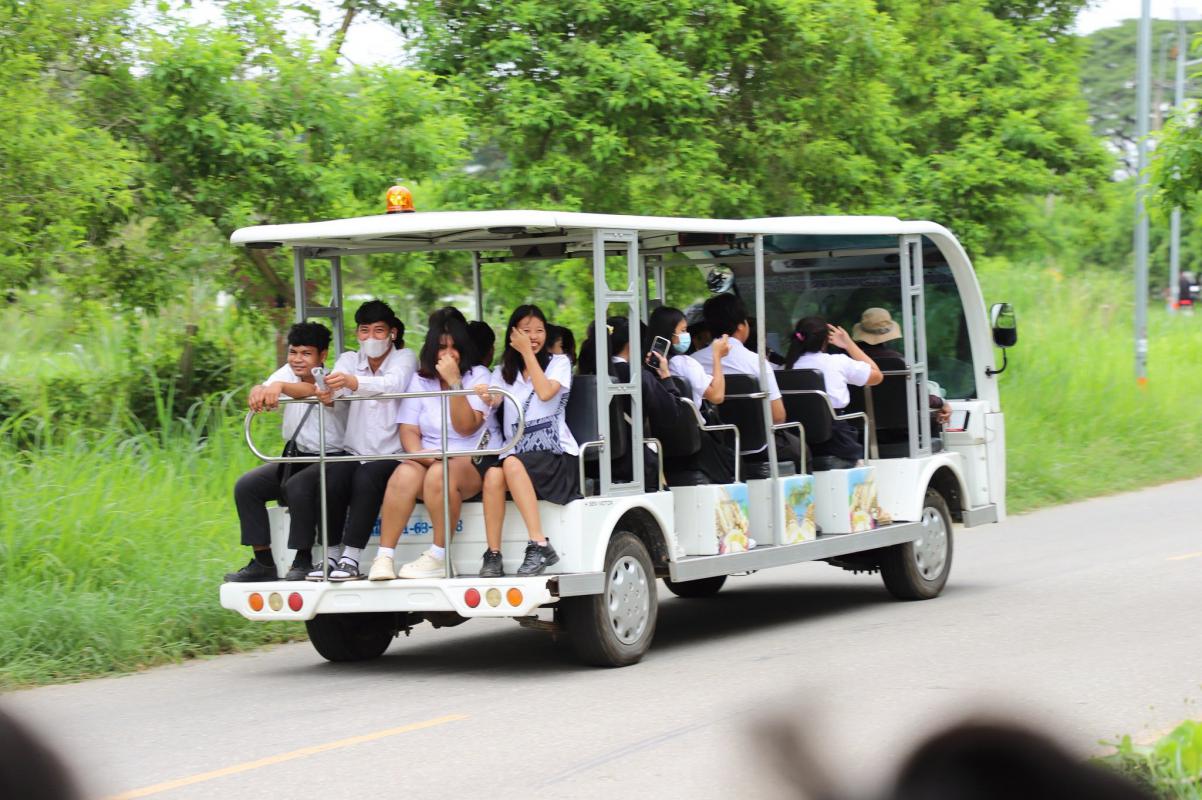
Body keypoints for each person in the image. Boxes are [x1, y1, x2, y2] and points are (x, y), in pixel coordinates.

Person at [367, 314, 491, 580]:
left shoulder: (479, 376)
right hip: (431, 457)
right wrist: (421, 455)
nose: (449, 353)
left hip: (470, 460)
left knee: (439, 473)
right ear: (432, 349)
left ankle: (439, 556)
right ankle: (384, 556)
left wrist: (455, 383)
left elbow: (466, 427)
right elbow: (409, 431)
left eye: (454, 347)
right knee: (403, 474)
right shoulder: (420, 379)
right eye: (442, 347)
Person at [224, 321, 349, 582]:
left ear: (322, 355)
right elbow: (267, 385)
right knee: (247, 487)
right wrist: (257, 391)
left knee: (298, 485)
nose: (297, 359)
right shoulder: (287, 372)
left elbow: (310, 390)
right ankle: (263, 561)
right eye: (293, 352)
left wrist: (279, 388)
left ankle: (302, 558)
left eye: (306, 353)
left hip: (333, 458)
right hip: (297, 455)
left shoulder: (333, 378)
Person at [307, 300, 418, 580]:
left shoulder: (405, 357)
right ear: (357, 333)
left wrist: (352, 383)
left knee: (367, 478)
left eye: (378, 331)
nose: (371, 337)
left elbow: (393, 385)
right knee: (331, 477)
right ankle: (330, 554)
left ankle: (351, 558)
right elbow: (337, 392)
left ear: (392, 333)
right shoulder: (348, 360)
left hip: (392, 455)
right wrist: (328, 393)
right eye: (364, 330)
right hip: (354, 452)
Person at [475, 304, 578, 577]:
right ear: (513, 334)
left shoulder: (559, 363)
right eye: (526, 331)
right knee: (493, 476)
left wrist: (527, 353)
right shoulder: (503, 371)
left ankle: (539, 543)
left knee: (510, 463)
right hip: (517, 452)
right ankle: (493, 554)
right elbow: (495, 401)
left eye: (539, 331)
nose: (533, 337)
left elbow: (545, 393)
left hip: (555, 454)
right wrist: (486, 396)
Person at [693, 292, 800, 467]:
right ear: (741, 326)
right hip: (760, 447)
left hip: (715, 446)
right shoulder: (756, 362)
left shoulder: (693, 361)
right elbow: (778, 416)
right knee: (801, 450)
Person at [783, 315, 882, 469]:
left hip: (796, 441)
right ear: (825, 340)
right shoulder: (838, 362)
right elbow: (877, 376)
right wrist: (848, 344)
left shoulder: (784, 368)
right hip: (836, 441)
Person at [851, 307, 951, 427]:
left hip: (857, 431)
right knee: (934, 420)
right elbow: (918, 398)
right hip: (900, 432)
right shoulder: (897, 362)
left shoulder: (847, 361)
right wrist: (942, 402)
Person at [648, 305, 728, 408]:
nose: (686, 334)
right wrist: (717, 356)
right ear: (670, 335)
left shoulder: (645, 363)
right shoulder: (684, 363)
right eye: (683, 330)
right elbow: (717, 396)